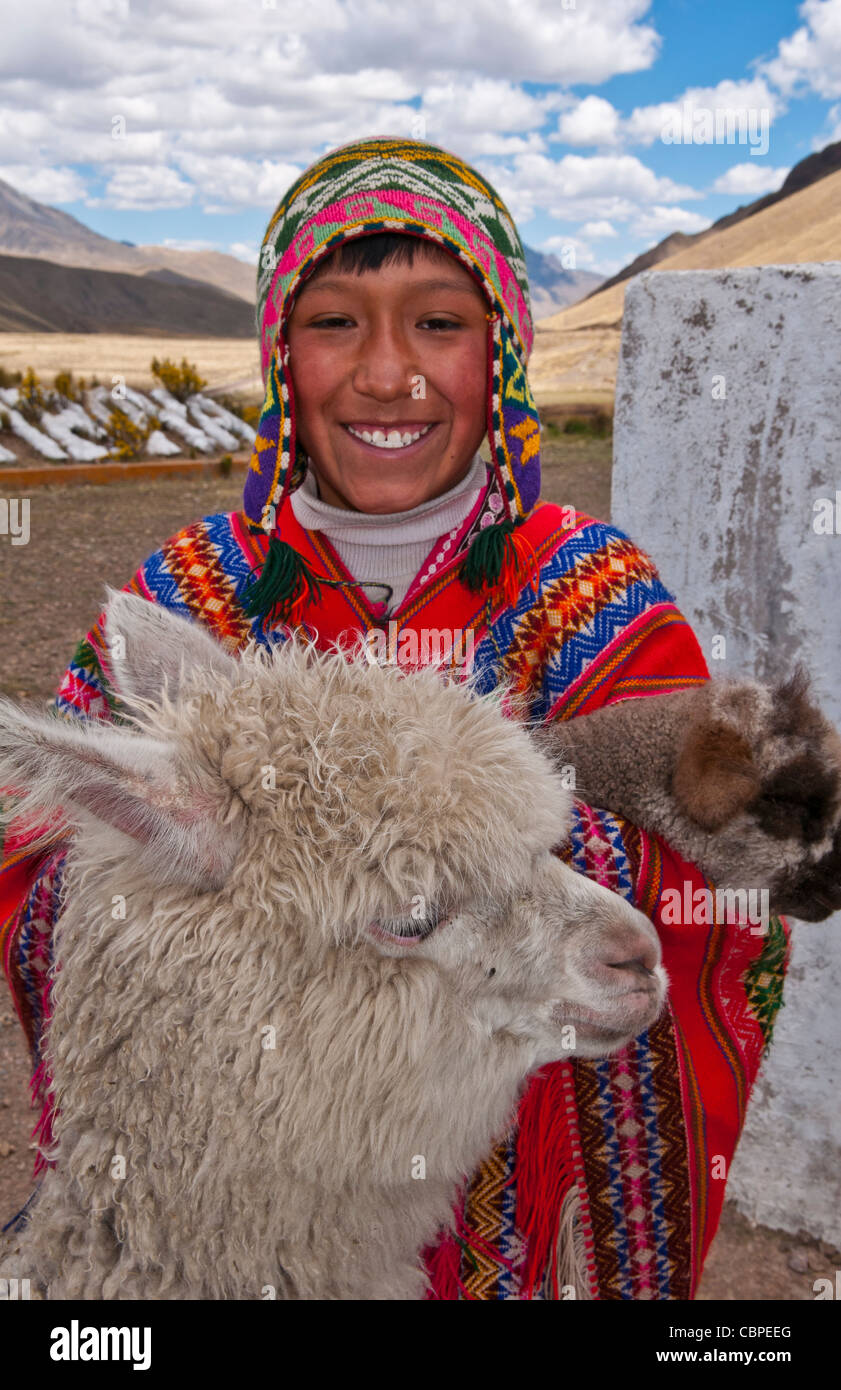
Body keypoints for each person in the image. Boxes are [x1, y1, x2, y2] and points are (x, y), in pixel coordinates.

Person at [0, 135, 788, 1300]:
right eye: (334, 323)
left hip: (512, 1203)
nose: (387, 373)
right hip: (249, 1187)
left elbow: (725, 903)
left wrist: (494, 841)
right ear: (280, 351)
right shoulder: (191, 592)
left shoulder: (594, 601)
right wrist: (253, 909)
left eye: (436, 323)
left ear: (499, 350)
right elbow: (44, 866)